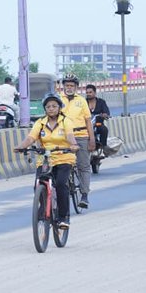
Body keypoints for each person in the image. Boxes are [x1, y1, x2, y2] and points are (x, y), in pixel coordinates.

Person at [13, 94, 79, 229]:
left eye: (54, 106)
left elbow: (70, 137)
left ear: (59, 108)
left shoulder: (66, 121)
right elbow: (31, 138)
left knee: (61, 184)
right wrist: (21, 146)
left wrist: (73, 145)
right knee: (38, 185)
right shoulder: (40, 123)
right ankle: (44, 210)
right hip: (45, 159)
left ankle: (63, 217)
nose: (51, 109)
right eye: (48, 106)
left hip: (63, 157)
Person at [59, 75, 96, 208]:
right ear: (63, 86)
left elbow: (88, 120)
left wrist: (91, 139)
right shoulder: (57, 99)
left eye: (72, 86)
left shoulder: (81, 101)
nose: (69, 88)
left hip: (81, 135)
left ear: (76, 87)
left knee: (84, 166)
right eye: (67, 86)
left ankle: (84, 195)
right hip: (63, 136)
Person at [84, 84, 110, 152]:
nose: (88, 94)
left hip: (98, 124)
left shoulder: (101, 102)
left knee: (104, 130)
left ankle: (104, 147)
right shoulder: (83, 102)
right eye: (87, 92)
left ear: (95, 93)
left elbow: (106, 112)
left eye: (90, 92)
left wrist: (104, 115)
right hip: (86, 125)